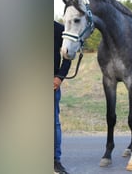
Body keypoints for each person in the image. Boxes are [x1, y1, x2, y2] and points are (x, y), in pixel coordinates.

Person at [54, 20, 71, 174]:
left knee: (53, 123)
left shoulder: (59, 29)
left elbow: (68, 54)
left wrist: (60, 76)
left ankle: (55, 162)